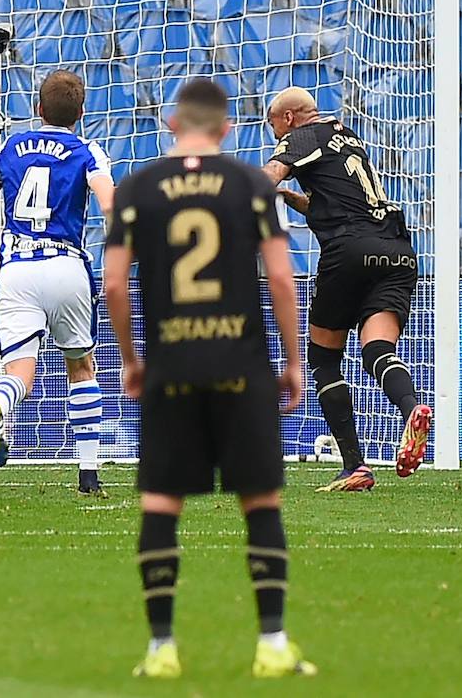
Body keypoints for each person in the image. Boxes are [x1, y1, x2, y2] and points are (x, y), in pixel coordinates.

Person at [104, 78, 315, 679]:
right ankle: (272, 644)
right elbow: (280, 279)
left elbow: (116, 284)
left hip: (170, 364)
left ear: (173, 123)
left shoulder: (138, 188)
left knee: (162, 500)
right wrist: (293, 360)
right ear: (226, 129)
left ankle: (161, 649)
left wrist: (131, 359)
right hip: (241, 365)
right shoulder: (250, 183)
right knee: (260, 500)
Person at [263, 87, 431, 492]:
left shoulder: (301, 136)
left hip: (349, 252)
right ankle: (412, 411)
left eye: (273, 128)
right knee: (377, 348)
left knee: (323, 359)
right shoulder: (347, 136)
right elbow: (342, 201)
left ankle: (354, 466)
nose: (276, 137)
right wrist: (294, 200)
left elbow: (267, 175)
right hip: (397, 251)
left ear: (287, 119)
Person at [0, 70, 113, 495]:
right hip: (66, 267)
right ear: (81, 114)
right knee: (81, 367)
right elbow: (108, 203)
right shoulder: (86, 150)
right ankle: (88, 475)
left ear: (38, 108)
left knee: (19, 370)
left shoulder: (12, 146)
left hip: (18, 270)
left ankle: (0, 403)